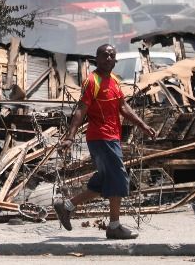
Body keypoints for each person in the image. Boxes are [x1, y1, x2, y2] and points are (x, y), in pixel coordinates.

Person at [52, 44, 156, 240]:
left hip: (112, 137)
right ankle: (114, 226)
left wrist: (142, 125)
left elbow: (123, 107)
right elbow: (80, 110)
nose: (109, 59)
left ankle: (66, 206)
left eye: (112, 56)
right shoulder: (93, 81)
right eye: (105, 55)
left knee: (105, 181)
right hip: (100, 138)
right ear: (96, 59)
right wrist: (70, 136)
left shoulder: (114, 80)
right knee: (118, 178)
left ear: (115, 60)